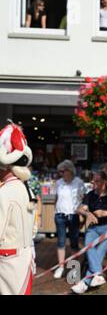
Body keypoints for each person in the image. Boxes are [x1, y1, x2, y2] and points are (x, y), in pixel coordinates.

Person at [0, 122, 35, 295]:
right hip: (25, 257)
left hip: (8, 261)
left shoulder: (4, 192)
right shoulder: (27, 188)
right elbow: (34, 226)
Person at [71, 171, 107, 294]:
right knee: (88, 247)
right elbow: (79, 209)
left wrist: (105, 213)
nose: (94, 183)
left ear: (104, 182)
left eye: (97, 181)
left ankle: (84, 283)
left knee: (98, 253)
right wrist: (88, 214)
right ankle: (98, 275)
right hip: (93, 228)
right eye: (93, 181)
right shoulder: (90, 195)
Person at [53, 160, 85, 279]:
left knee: (74, 243)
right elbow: (56, 198)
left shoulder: (79, 182)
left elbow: (83, 200)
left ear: (70, 171)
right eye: (60, 171)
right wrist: (55, 211)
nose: (61, 173)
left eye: (63, 171)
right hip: (60, 215)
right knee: (61, 242)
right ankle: (60, 267)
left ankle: (74, 269)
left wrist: (82, 217)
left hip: (73, 216)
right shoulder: (59, 183)